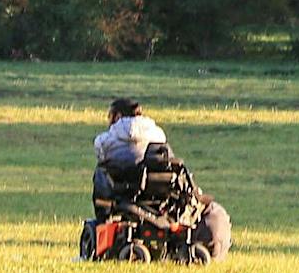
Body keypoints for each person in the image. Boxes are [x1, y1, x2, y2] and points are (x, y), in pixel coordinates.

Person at [93, 98, 232, 261]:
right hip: (160, 194)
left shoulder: (105, 140)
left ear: (116, 116)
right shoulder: (158, 135)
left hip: (126, 194)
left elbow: (103, 161)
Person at [94, 96, 167, 171]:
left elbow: (102, 159)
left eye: (110, 115)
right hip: (152, 179)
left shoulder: (103, 140)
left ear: (118, 116)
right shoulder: (159, 135)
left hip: (119, 179)